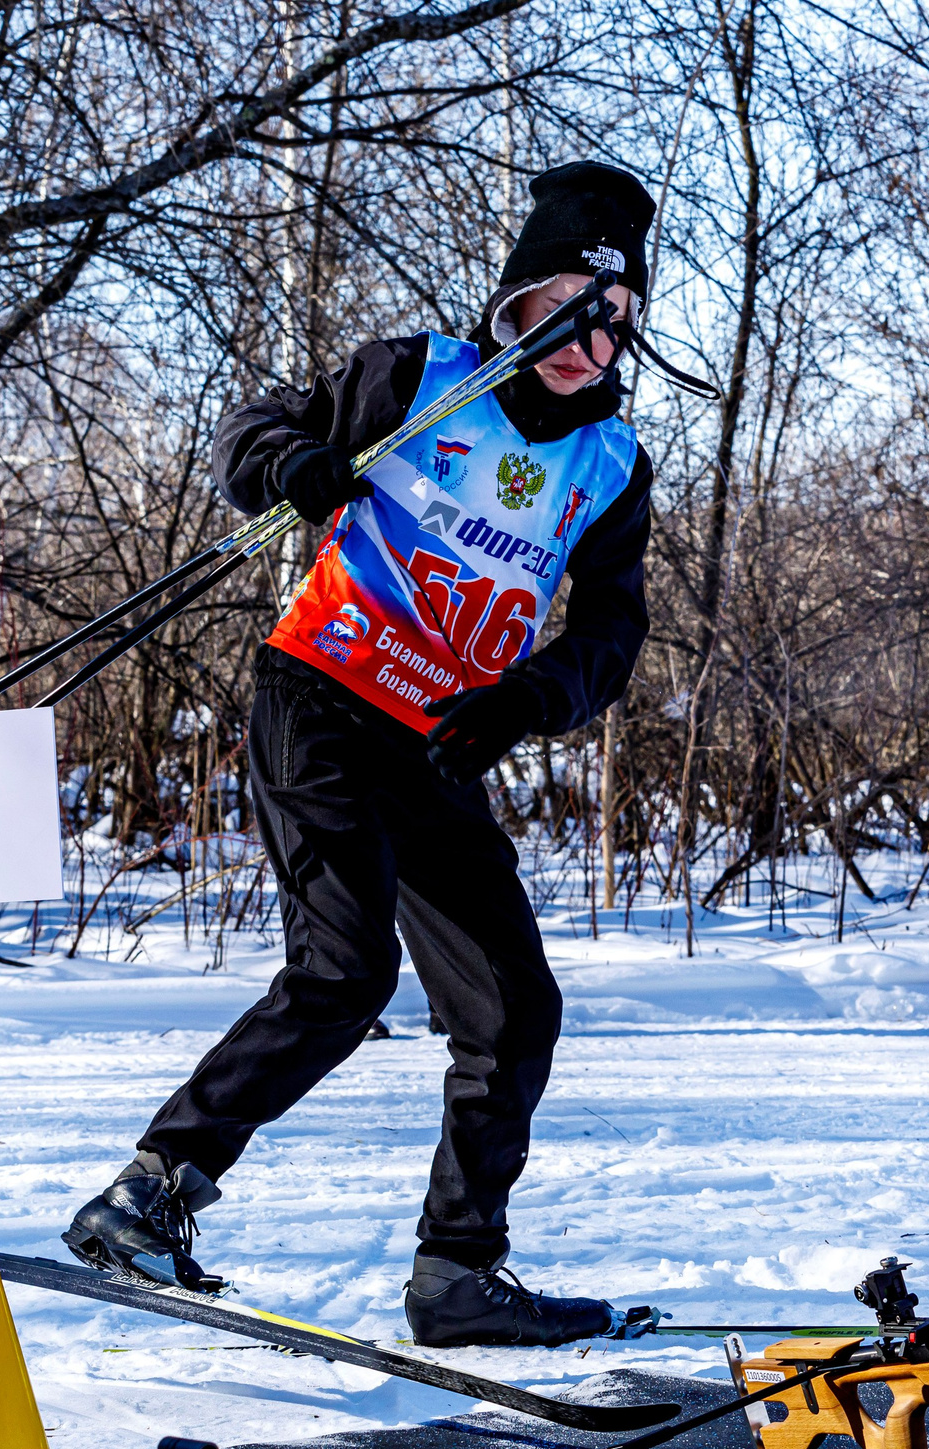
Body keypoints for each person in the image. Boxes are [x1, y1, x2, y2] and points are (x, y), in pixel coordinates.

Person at [61, 161, 662, 1348]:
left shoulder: (611, 467)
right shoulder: (417, 378)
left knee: (513, 1008)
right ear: (514, 306)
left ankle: (458, 1274)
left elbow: (609, 634)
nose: (582, 346)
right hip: (322, 701)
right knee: (344, 974)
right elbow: (253, 430)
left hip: (440, 741)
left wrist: (527, 699)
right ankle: (151, 1191)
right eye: (558, 312)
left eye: (610, 323)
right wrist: (291, 467)